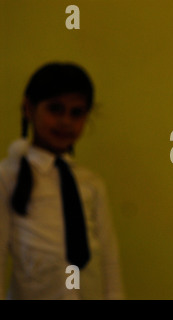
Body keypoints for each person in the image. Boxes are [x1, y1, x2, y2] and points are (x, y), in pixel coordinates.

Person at [0, 62, 124, 299]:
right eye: (55, 109)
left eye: (77, 113)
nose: (66, 121)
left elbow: (109, 258)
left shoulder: (91, 183)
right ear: (28, 108)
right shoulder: (7, 177)